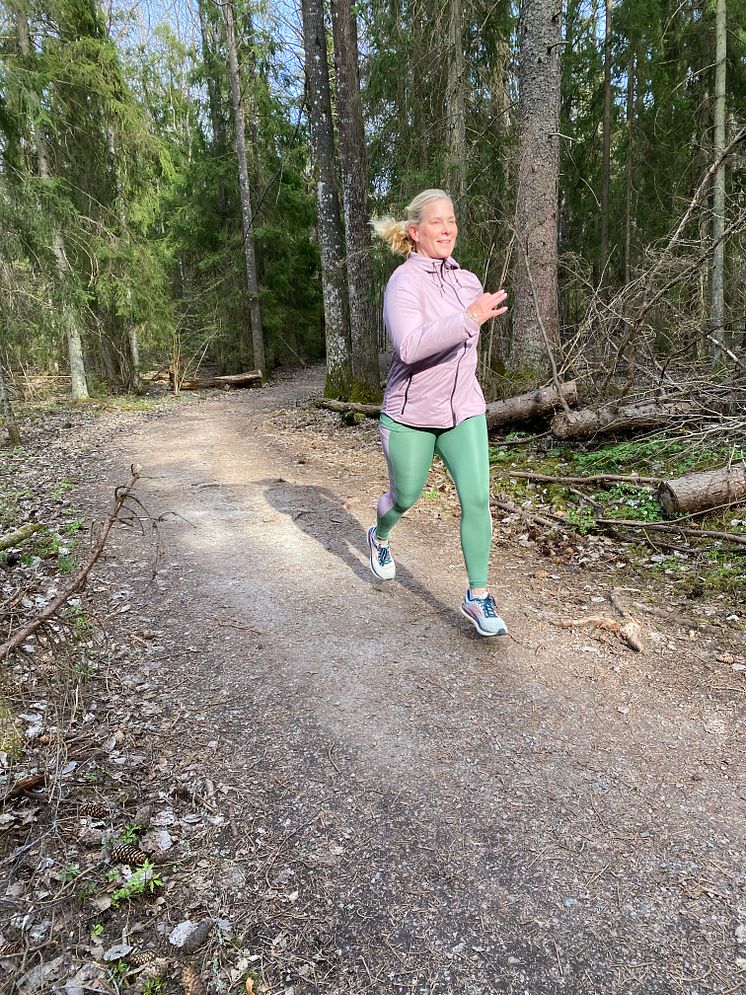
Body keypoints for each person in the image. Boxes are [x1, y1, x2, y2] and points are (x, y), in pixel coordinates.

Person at [367, 189, 509, 637]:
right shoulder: (403, 283)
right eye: (437, 222)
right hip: (411, 413)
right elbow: (408, 347)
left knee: (477, 499)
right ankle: (380, 533)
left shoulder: (467, 281)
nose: (447, 229)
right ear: (415, 232)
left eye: (451, 221)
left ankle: (478, 596)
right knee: (405, 498)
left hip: (464, 409)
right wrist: (468, 317)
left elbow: (465, 349)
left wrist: (473, 312)